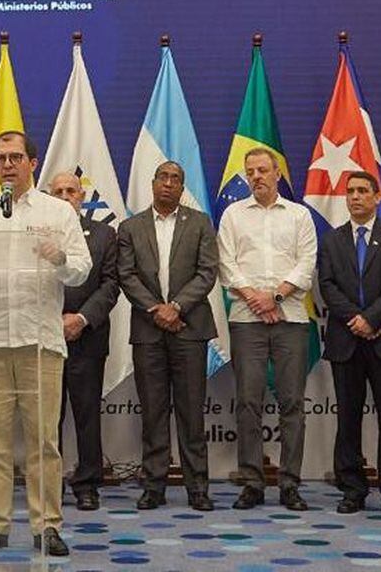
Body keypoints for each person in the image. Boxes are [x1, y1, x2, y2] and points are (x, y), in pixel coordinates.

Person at [0, 131, 90, 558]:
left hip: (40, 340)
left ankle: (46, 526)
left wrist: (60, 258)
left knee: (43, 442)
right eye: (1, 158)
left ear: (33, 163)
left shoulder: (59, 212)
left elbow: (82, 270)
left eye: (16, 157)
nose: (8, 164)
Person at [217, 148, 317, 511]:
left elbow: (307, 264)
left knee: (292, 403)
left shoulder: (299, 215)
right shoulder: (233, 215)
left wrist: (273, 296)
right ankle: (252, 484)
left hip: (290, 320)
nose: (256, 176)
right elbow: (226, 264)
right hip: (246, 320)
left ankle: (290, 484)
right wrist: (257, 300)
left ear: (278, 174)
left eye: (263, 170)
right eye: (251, 172)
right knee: (248, 404)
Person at [117, 161, 218, 512]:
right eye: (163, 177)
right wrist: (158, 311)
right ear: (153, 182)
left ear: (181, 187)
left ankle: (197, 488)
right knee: (154, 413)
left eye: (176, 179)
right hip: (148, 331)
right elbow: (126, 276)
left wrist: (176, 306)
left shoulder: (201, 223)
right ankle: (154, 487)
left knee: (192, 413)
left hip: (190, 329)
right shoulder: (130, 227)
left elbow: (208, 273)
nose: (169, 184)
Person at [316, 171, 381, 516]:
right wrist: (355, 320)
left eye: (362, 191)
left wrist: (372, 319)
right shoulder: (332, 239)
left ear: (377, 196)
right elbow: (327, 285)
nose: (355, 197)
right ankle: (352, 489)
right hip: (347, 340)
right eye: (350, 192)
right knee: (348, 419)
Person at [48, 171, 119, 512]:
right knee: (47, 417)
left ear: (82, 195)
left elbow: (110, 285)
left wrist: (80, 319)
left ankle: (87, 484)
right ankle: (49, 484)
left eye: (70, 191)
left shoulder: (104, 234)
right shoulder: (38, 233)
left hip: (87, 337)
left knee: (87, 415)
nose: (65, 196)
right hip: (44, 334)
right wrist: (53, 320)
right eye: (58, 191)